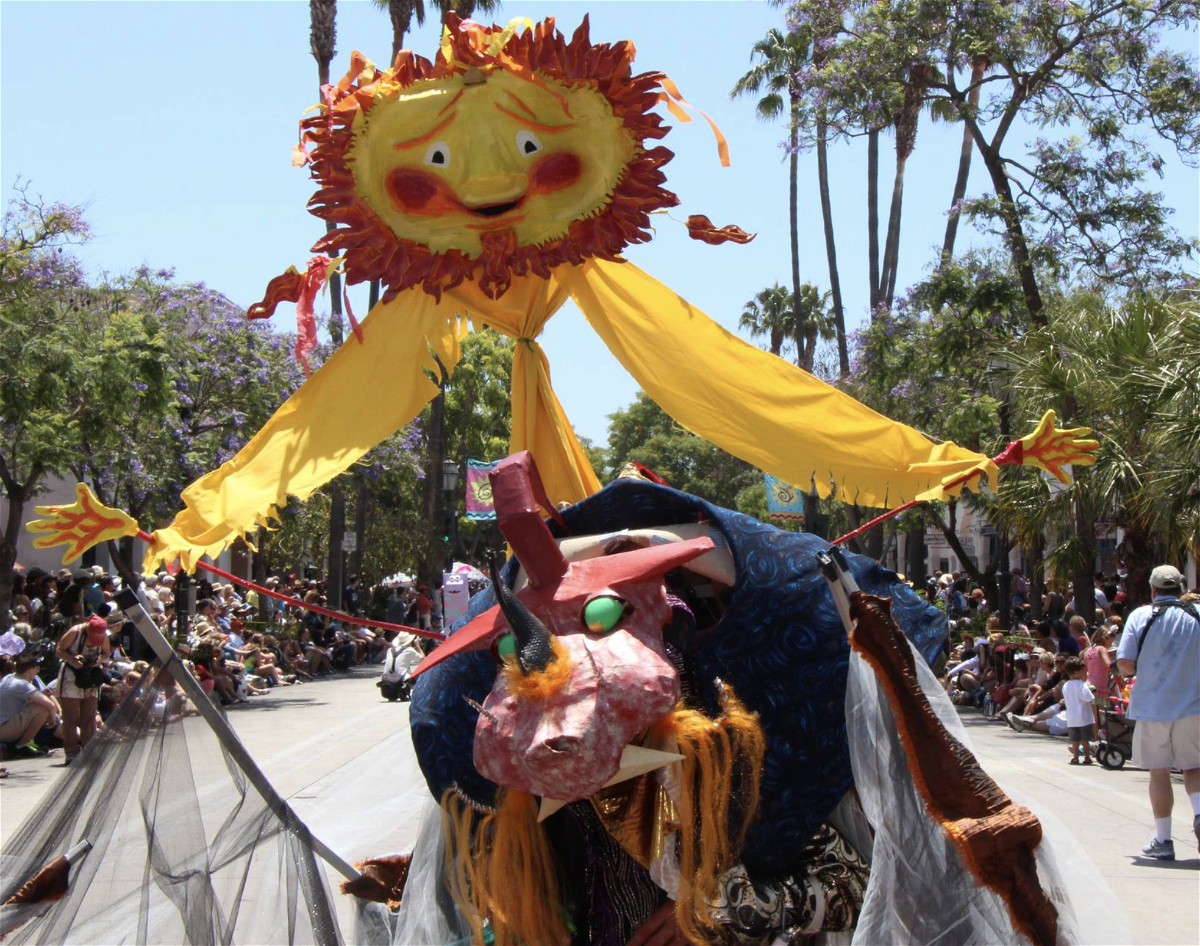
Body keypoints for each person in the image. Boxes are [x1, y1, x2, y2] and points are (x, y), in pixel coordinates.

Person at [1116, 564, 1200, 860]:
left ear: (1153, 590)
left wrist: (1141, 670)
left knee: (1159, 772)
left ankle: (1164, 839)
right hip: (1194, 705)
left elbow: (1125, 662)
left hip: (1153, 707)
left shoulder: (1141, 615)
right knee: (1194, 767)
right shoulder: (1197, 614)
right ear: (1180, 587)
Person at [55, 614, 112, 763]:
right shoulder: (75, 632)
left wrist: (97, 661)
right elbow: (59, 650)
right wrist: (73, 660)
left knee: (89, 715)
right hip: (72, 677)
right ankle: (71, 752)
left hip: (91, 677)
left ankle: (89, 750)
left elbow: (106, 653)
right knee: (70, 716)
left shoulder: (103, 636)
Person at [0, 652, 59, 753]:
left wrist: (42, 694)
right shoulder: (22, 684)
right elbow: (51, 705)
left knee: (40, 706)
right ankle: (22, 745)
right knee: (43, 709)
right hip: (4, 729)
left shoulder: (9, 678)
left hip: (5, 725)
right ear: (30, 669)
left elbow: (23, 703)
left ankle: (22, 744)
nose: (38, 671)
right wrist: (53, 720)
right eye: (36, 668)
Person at [1061, 656, 1096, 765]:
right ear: (1076, 672)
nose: (1084, 673)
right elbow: (1090, 699)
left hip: (1071, 718)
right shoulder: (1082, 685)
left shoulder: (1065, 685)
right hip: (1083, 717)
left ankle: (1075, 757)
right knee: (1085, 739)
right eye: (1083, 671)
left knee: (1075, 740)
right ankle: (1087, 757)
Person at [1084, 625, 1116, 727]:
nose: (1110, 645)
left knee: (1091, 716)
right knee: (1100, 716)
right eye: (1110, 642)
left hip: (1089, 685)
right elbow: (1109, 665)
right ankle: (1097, 738)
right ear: (1105, 639)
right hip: (1099, 688)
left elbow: (1085, 668)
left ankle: (1092, 738)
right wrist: (1118, 674)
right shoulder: (1102, 649)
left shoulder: (1088, 651)